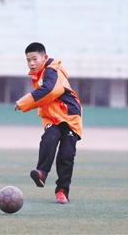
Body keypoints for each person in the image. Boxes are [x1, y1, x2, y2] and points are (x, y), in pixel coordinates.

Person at [15, 42, 82, 204]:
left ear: (44, 57)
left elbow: (50, 91)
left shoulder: (52, 70)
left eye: (34, 59)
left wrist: (24, 102)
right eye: (28, 60)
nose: (31, 63)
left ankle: (62, 191)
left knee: (66, 154)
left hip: (69, 115)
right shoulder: (40, 73)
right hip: (52, 116)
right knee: (50, 137)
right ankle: (42, 172)